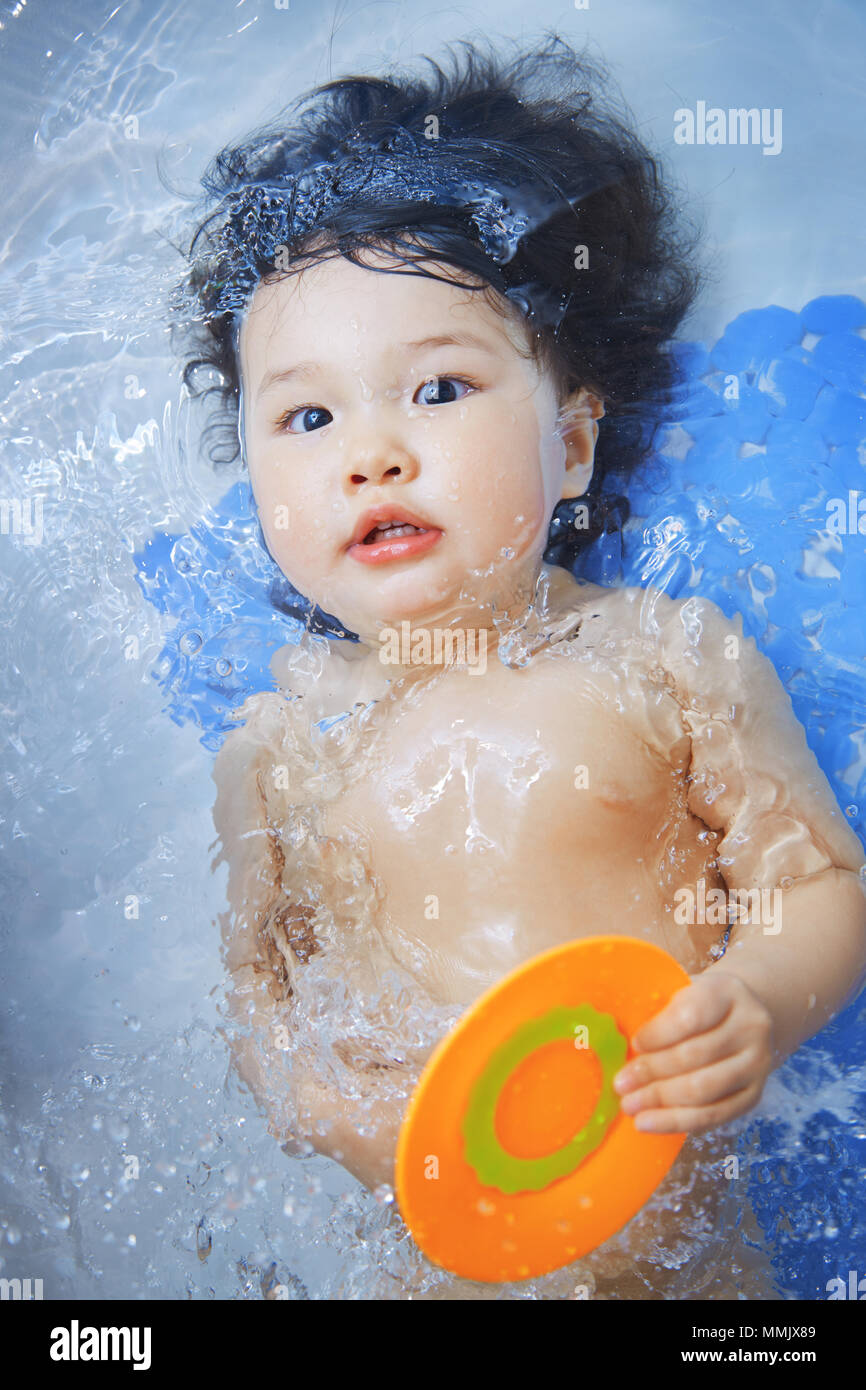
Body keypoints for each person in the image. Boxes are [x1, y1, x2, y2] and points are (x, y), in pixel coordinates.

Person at [178, 37, 866, 1294]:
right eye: (307, 417)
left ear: (572, 442)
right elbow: (263, 1022)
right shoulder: (275, 748)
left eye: (437, 387)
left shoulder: (661, 657)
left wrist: (760, 1002)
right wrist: (348, 1120)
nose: (370, 455)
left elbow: (818, 883)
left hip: (680, 1266)